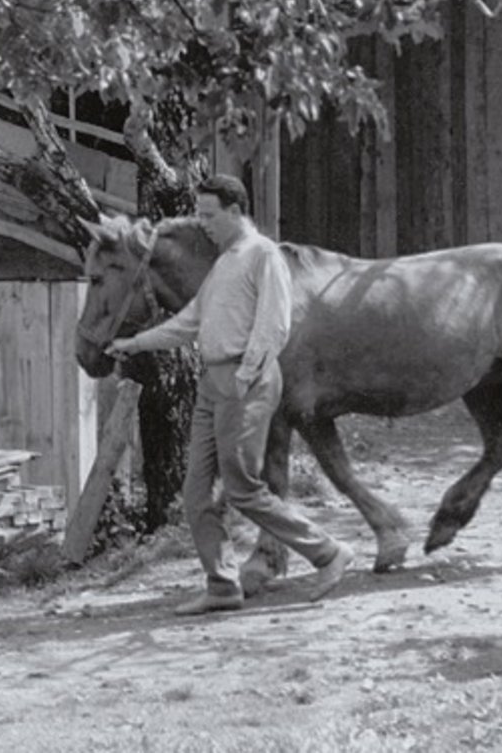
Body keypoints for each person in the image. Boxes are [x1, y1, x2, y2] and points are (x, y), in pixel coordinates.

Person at [107, 174, 354, 615]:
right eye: (199, 215)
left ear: (236, 212)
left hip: (246, 381)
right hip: (212, 383)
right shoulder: (224, 262)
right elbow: (189, 322)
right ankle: (222, 585)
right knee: (195, 493)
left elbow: (275, 323)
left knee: (242, 490)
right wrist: (136, 343)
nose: (202, 224)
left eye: (209, 215)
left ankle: (329, 552)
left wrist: (246, 373)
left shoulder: (264, 255)